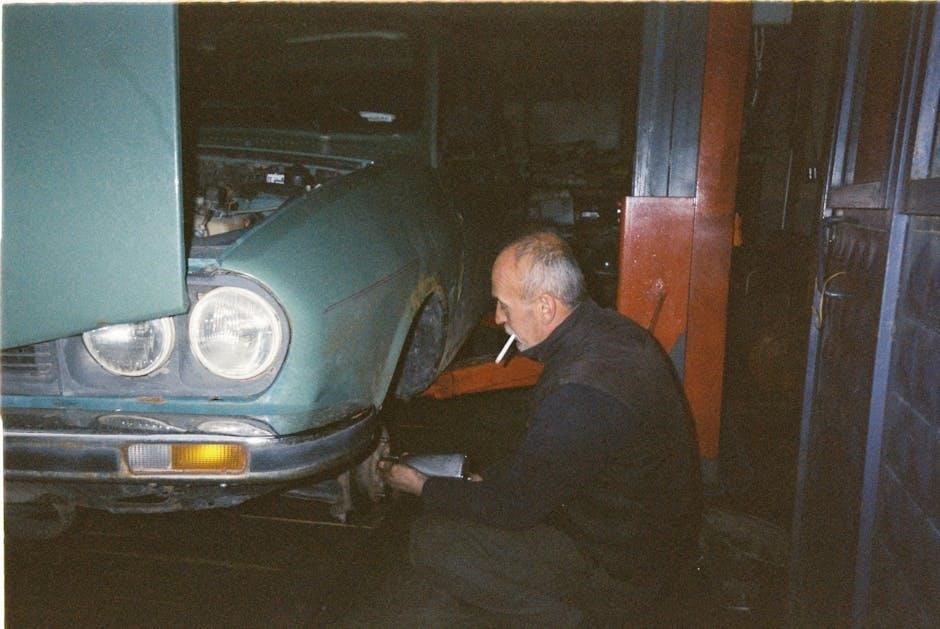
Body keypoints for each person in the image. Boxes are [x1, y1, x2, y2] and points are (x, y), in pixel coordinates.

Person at [380, 231, 702, 625]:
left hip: (620, 569)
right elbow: (549, 465)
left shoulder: (580, 395)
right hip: (640, 536)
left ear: (546, 306)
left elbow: (515, 508)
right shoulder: (612, 332)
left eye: (504, 305)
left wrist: (422, 486)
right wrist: (485, 480)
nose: (499, 318)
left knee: (432, 541)